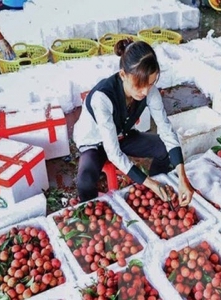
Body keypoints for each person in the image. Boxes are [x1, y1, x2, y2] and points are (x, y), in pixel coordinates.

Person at [73, 39, 194, 206]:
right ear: (123, 75)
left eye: (150, 84)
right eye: (139, 85)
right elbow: (113, 152)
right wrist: (150, 183)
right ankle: (94, 215)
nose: (145, 91)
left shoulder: (148, 91)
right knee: (85, 180)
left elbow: (166, 130)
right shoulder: (103, 97)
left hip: (122, 136)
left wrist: (182, 177)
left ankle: (156, 193)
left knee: (164, 148)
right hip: (95, 143)